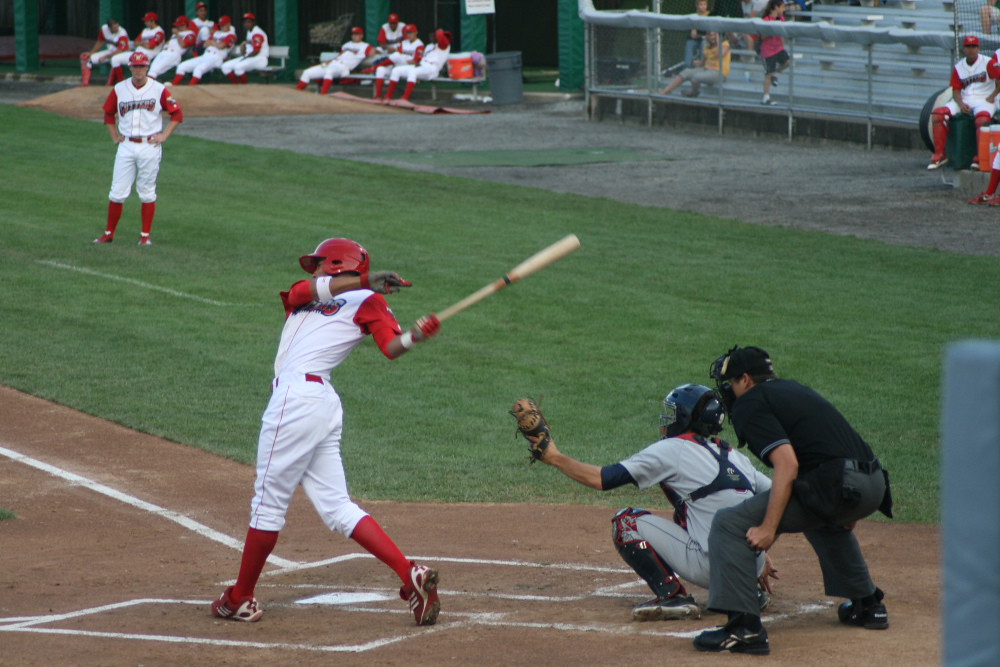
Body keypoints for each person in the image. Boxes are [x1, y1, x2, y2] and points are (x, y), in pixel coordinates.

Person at [209, 238, 443, 627]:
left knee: (267, 504)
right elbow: (304, 290)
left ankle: (239, 597)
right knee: (337, 507)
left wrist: (417, 336)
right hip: (316, 405)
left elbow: (391, 347)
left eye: (319, 263)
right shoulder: (303, 298)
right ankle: (410, 574)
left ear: (336, 264)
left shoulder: (370, 303)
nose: (313, 270)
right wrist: (367, 279)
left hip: (298, 401)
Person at [692, 346, 893, 655]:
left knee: (729, 523)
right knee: (820, 518)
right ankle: (867, 605)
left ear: (745, 379)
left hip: (839, 484)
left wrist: (769, 528)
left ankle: (744, 629)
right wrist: (847, 506)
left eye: (731, 382)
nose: (729, 391)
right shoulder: (793, 390)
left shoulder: (751, 403)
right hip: (873, 483)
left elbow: (787, 465)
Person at [527, 384, 776, 621]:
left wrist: (554, 458)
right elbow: (777, 496)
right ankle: (748, 592)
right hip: (750, 565)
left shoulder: (672, 449)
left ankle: (672, 596)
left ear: (685, 418)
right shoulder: (733, 454)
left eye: (672, 413)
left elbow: (602, 479)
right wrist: (759, 551)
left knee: (626, 521)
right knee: (689, 512)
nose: (666, 420)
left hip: (712, 568)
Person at [93, 52, 182, 246]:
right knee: (117, 191)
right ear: (130, 67)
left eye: (142, 66)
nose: (138, 70)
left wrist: (164, 135)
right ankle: (109, 234)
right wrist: (114, 136)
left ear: (147, 68)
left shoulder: (159, 89)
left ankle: (145, 237)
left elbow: (177, 114)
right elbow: (108, 114)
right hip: (126, 146)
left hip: (150, 145)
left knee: (147, 191)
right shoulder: (119, 88)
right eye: (135, 66)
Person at [927, 35, 1000, 171]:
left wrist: (993, 95)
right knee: (938, 115)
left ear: (978, 48)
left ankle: (979, 157)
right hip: (965, 99)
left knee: (982, 120)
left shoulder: (988, 62)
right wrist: (960, 104)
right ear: (964, 49)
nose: (971, 50)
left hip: (984, 99)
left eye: (974, 47)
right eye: (968, 47)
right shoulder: (959, 66)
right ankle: (940, 155)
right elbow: (956, 91)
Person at [296, 27, 374, 95]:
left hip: (344, 68)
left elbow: (374, 52)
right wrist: (329, 61)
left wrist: (375, 52)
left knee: (329, 72)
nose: (354, 36)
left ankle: (323, 96)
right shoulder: (347, 44)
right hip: (334, 63)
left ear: (362, 36)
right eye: (353, 34)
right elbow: (340, 56)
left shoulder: (365, 46)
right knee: (307, 72)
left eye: (357, 34)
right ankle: (297, 94)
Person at [382, 28, 452, 102]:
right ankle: (388, 97)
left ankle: (404, 99)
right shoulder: (429, 46)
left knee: (413, 72)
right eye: (431, 36)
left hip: (432, 68)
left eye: (434, 36)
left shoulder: (444, 45)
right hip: (422, 66)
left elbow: (440, 36)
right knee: (396, 70)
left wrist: (440, 31)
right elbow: (422, 58)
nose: (432, 37)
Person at [659, 32, 731, 98]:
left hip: (719, 72)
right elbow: (703, 63)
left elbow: (721, 54)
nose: (712, 37)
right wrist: (698, 63)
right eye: (711, 35)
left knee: (696, 77)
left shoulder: (725, 44)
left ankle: (693, 93)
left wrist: (718, 40)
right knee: (686, 72)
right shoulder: (707, 46)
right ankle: (665, 91)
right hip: (706, 70)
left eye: (714, 35)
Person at [172, 15, 237, 86]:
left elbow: (221, 46)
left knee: (198, 69)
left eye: (223, 25)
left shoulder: (232, 35)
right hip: (206, 55)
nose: (222, 27)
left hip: (216, 57)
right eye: (221, 25)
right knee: (182, 66)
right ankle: (174, 86)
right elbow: (205, 44)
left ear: (229, 24)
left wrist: (213, 42)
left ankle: (189, 88)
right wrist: (215, 43)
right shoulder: (218, 33)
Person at [108, 12, 166, 86]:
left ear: (153, 21)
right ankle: (122, 83)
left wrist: (141, 43)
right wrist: (143, 44)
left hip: (148, 55)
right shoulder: (145, 30)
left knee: (137, 66)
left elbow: (151, 46)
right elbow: (135, 42)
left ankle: (141, 84)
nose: (145, 22)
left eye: (147, 21)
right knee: (115, 59)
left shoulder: (159, 32)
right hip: (137, 52)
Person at [373, 24, 424, 99]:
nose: (409, 35)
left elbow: (416, 61)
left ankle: (388, 97)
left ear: (416, 32)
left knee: (396, 69)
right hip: (397, 66)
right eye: (407, 33)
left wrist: (403, 60)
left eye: (411, 32)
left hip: (408, 69)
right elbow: (397, 56)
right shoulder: (404, 43)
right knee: (380, 69)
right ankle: (378, 96)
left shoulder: (419, 44)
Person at [220, 13, 270, 84]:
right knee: (225, 66)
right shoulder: (249, 31)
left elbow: (256, 51)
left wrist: (244, 58)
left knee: (238, 67)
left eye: (249, 22)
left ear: (254, 22)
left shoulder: (258, 33)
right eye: (245, 22)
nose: (246, 24)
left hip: (260, 58)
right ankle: (236, 85)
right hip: (251, 57)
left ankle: (244, 87)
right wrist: (245, 44)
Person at [79, 17, 130, 87]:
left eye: (117, 26)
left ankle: (110, 84)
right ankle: (85, 83)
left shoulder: (122, 33)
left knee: (115, 59)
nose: (116, 28)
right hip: (110, 51)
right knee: (86, 58)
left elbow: (121, 50)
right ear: (109, 28)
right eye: (114, 27)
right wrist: (91, 53)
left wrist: (105, 57)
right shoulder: (104, 29)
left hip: (121, 53)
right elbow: (100, 42)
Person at [759, 0, 792, 105]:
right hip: (768, 50)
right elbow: (763, 36)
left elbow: (782, 36)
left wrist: (782, 46)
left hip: (778, 48)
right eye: (782, 7)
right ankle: (766, 97)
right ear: (775, 7)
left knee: (788, 62)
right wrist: (772, 30)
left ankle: (775, 73)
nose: (784, 10)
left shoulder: (781, 19)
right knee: (768, 74)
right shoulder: (766, 20)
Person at [148, 16, 197, 81]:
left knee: (155, 71)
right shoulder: (176, 34)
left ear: (184, 25)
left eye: (179, 25)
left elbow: (183, 45)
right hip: (164, 52)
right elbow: (168, 42)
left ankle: (146, 86)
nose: (177, 27)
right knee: (151, 70)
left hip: (174, 54)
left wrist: (177, 34)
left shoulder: (190, 34)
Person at [683, 0, 712, 70]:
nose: (703, 7)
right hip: (698, 38)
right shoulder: (695, 16)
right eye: (701, 5)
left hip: (708, 38)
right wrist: (693, 31)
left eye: (704, 4)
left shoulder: (710, 15)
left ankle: (703, 65)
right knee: (689, 43)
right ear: (697, 6)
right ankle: (687, 66)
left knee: (704, 44)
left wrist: (706, 36)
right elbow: (693, 33)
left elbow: (712, 31)